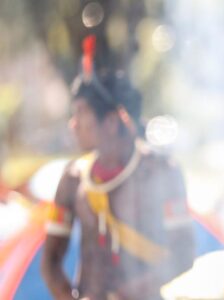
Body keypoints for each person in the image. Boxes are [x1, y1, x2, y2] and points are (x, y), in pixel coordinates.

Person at [41, 35, 195, 300]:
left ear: (111, 122)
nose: (73, 124)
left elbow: (182, 254)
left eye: (80, 113)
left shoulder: (161, 172)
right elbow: (50, 262)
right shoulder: (72, 178)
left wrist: (128, 294)